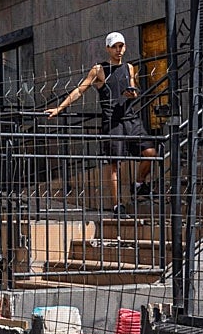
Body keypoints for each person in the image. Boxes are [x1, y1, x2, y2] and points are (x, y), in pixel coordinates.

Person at [44, 31, 159, 217]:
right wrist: (59, 108)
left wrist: (133, 94)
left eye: (120, 46)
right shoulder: (99, 69)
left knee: (151, 153)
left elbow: (133, 89)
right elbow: (79, 91)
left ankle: (138, 184)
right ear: (107, 48)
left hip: (130, 118)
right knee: (115, 165)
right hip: (112, 122)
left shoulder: (129, 67)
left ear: (125, 47)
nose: (118, 50)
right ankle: (117, 206)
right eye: (114, 46)